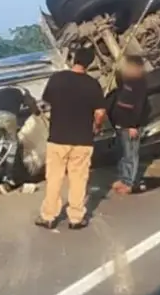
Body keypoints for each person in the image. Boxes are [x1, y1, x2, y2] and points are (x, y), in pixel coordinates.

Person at [35, 47, 106, 230]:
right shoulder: (93, 84)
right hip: (83, 139)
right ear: (89, 63)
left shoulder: (57, 79)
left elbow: (46, 103)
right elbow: (100, 113)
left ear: (73, 59)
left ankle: (49, 216)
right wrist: (97, 127)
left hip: (58, 137)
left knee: (54, 178)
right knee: (79, 179)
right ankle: (75, 218)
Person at [0, 85, 40, 185]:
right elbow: (31, 103)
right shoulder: (22, 91)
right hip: (9, 118)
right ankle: (8, 175)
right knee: (12, 145)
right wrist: (37, 112)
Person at [109, 55, 149, 195]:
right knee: (122, 153)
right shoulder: (126, 81)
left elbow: (138, 106)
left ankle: (128, 182)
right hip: (121, 123)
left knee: (130, 154)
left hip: (131, 125)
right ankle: (122, 177)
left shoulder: (139, 84)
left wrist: (133, 125)